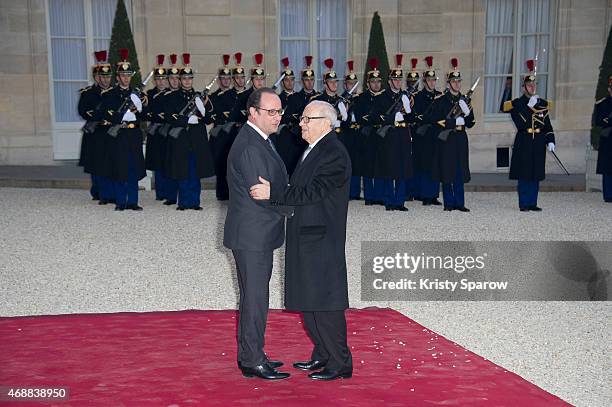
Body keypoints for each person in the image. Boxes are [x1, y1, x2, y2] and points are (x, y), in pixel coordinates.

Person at [250, 100, 353, 381]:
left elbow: (313, 192)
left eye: (308, 119)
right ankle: (322, 353)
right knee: (309, 298)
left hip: (321, 236)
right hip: (306, 233)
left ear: (327, 123)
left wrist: (275, 193)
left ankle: (340, 362)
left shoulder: (333, 152)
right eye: (302, 118)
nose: (301, 124)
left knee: (325, 301)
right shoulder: (315, 148)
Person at [223, 88, 293, 380]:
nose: (277, 117)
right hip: (253, 235)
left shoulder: (259, 139)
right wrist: (296, 206)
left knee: (256, 296)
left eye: (279, 111)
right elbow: (261, 193)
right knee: (254, 298)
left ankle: (253, 353)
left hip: (257, 232)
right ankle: (251, 360)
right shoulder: (251, 145)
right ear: (252, 112)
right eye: (270, 112)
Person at [96, 48, 147, 211]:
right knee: (119, 167)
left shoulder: (137, 94)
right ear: (118, 77)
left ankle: (132, 201)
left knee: (133, 167)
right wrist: (123, 113)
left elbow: (145, 115)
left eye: (128, 75)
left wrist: (142, 105)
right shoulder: (110, 94)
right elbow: (107, 114)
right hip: (119, 133)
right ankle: (120, 201)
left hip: (133, 134)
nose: (126, 78)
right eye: (123, 75)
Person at [164, 53, 215, 210]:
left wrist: (203, 109)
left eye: (190, 78)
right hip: (182, 139)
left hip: (197, 139)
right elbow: (169, 117)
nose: (187, 81)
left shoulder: (199, 96)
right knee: (183, 171)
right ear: (179, 80)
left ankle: (195, 202)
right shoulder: (172, 97)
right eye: (184, 79)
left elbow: (209, 119)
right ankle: (184, 202)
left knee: (195, 172)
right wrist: (187, 120)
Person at [504, 59, 556, 211]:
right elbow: (520, 123)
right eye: (529, 85)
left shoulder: (542, 103)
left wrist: (550, 139)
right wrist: (529, 106)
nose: (532, 87)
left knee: (536, 172)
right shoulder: (517, 104)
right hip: (524, 140)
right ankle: (524, 203)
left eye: (534, 85)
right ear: (523, 87)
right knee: (525, 172)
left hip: (538, 141)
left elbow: (547, 125)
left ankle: (533, 202)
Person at [425, 58, 474, 212]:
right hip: (447, 139)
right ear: (448, 83)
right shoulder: (441, 100)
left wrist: (468, 113)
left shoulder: (464, 100)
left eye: (459, 81)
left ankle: (460, 203)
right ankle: (449, 203)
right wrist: (453, 122)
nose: (457, 84)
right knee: (447, 171)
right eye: (454, 81)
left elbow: (471, 122)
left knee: (459, 171)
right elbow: (432, 119)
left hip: (460, 138)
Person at [412, 56, 442, 206]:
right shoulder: (418, 97)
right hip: (423, 135)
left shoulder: (440, 96)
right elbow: (417, 116)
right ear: (424, 82)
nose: (432, 83)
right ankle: (424, 194)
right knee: (424, 164)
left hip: (435, 134)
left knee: (435, 164)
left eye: (433, 80)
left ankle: (434, 195)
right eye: (429, 80)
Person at [208, 54, 237, 201]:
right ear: (219, 80)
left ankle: (234, 193)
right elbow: (211, 115)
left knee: (234, 165)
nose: (226, 81)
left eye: (228, 78)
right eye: (223, 78)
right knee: (220, 164)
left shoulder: (236, 96)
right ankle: (221, 193)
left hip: (233, 134)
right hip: (220, 135)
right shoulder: (213, 97)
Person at [144, 54, 169, 202]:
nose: (160, 82)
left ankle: (170, 191)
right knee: (158, 164)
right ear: (154, 81)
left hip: (168, 131)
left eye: (163, 79)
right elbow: (146, 113)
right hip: (155, 132)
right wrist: (158, 116)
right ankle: (160, 192)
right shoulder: (149, 94)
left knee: (169, 161)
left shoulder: (171, 94)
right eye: (158, 79)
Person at [595, 75, 612, 203]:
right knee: (607, 168)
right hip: (608, 138)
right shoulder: (603, 104)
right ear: (609, 89)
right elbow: (599, 120)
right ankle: (608, 195)